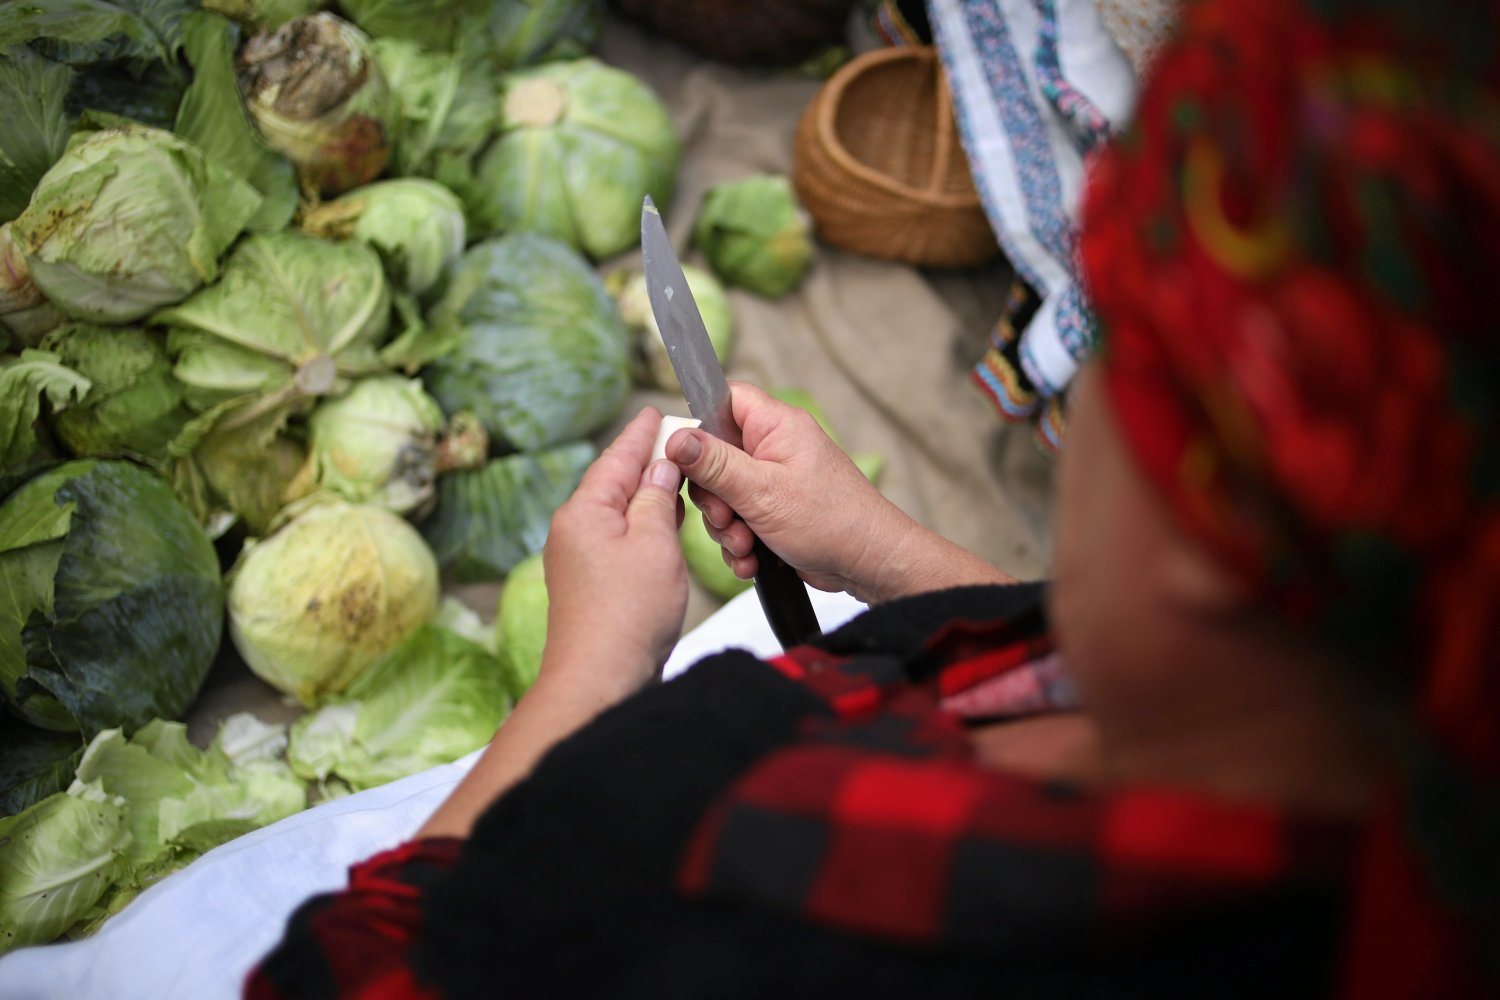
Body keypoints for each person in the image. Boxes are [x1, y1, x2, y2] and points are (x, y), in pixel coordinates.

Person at [247, 0, 1498, 995]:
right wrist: (885, 553)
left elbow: (338, 967)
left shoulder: (725, 859)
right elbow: (1082, 661)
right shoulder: (1383, 806)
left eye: (1113, 357)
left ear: (1208, 547)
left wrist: (588, 671)